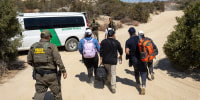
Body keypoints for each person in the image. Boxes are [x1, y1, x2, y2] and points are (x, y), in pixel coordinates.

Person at [27, 29, 67, 100]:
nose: (50, 38)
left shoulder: (33, 46)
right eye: (50, 37)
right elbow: (58, 60)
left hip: (39, 75)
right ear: (48, 37)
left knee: (39, 93)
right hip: (51, 76)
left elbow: (29, 61)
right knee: (57, 94)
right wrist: (63, 71)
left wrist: (36, 66)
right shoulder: (52, 46)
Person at [125, 27, 147, 95]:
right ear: (135, 32)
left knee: (136, 71)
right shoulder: (141, 38)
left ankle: (138, 83)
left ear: (129, 33)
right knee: (143, 71)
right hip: (142, 58)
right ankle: (143, 86)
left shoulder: (128, 41)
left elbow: (127, 52)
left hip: (134, 59)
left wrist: (131, 52)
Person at [100, 29, 123, 93]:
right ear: (113, 35)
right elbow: (120, 50)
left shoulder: (103, 42)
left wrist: (101, 59)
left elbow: (101, 51)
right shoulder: (116, 42)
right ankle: (113, 87)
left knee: (108, 72)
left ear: (107, 34)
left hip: (105, 60)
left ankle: (108, 81)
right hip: (113, 60)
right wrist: (120, 55)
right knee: (113, 73)